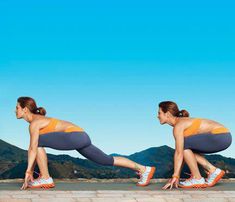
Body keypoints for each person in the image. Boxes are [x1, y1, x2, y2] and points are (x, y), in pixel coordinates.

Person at [16, 97, 156, 190]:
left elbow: (33, 148)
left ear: (25, 109)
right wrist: (31, 171)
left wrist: (29, 171)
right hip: (81, 137)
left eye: (17, 107)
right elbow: (34, 150)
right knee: (106, 160)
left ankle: (46, 178)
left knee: (37, 143)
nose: (15, 110)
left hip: (74, 136)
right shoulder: (39, 121)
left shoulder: (35, 123)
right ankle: (144, 169)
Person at [157, 101, 232, 189]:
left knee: (184, 145)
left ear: (168, 114)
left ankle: (198, 177)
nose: (157, 116)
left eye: (159, 113)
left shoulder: (179, 126)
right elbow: (184, 155)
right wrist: (176, 176)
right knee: (186, 148)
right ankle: (212, 170)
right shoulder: (180, 123)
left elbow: (179, 153)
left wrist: (175, 176)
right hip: (224, 137)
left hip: (220, 136)